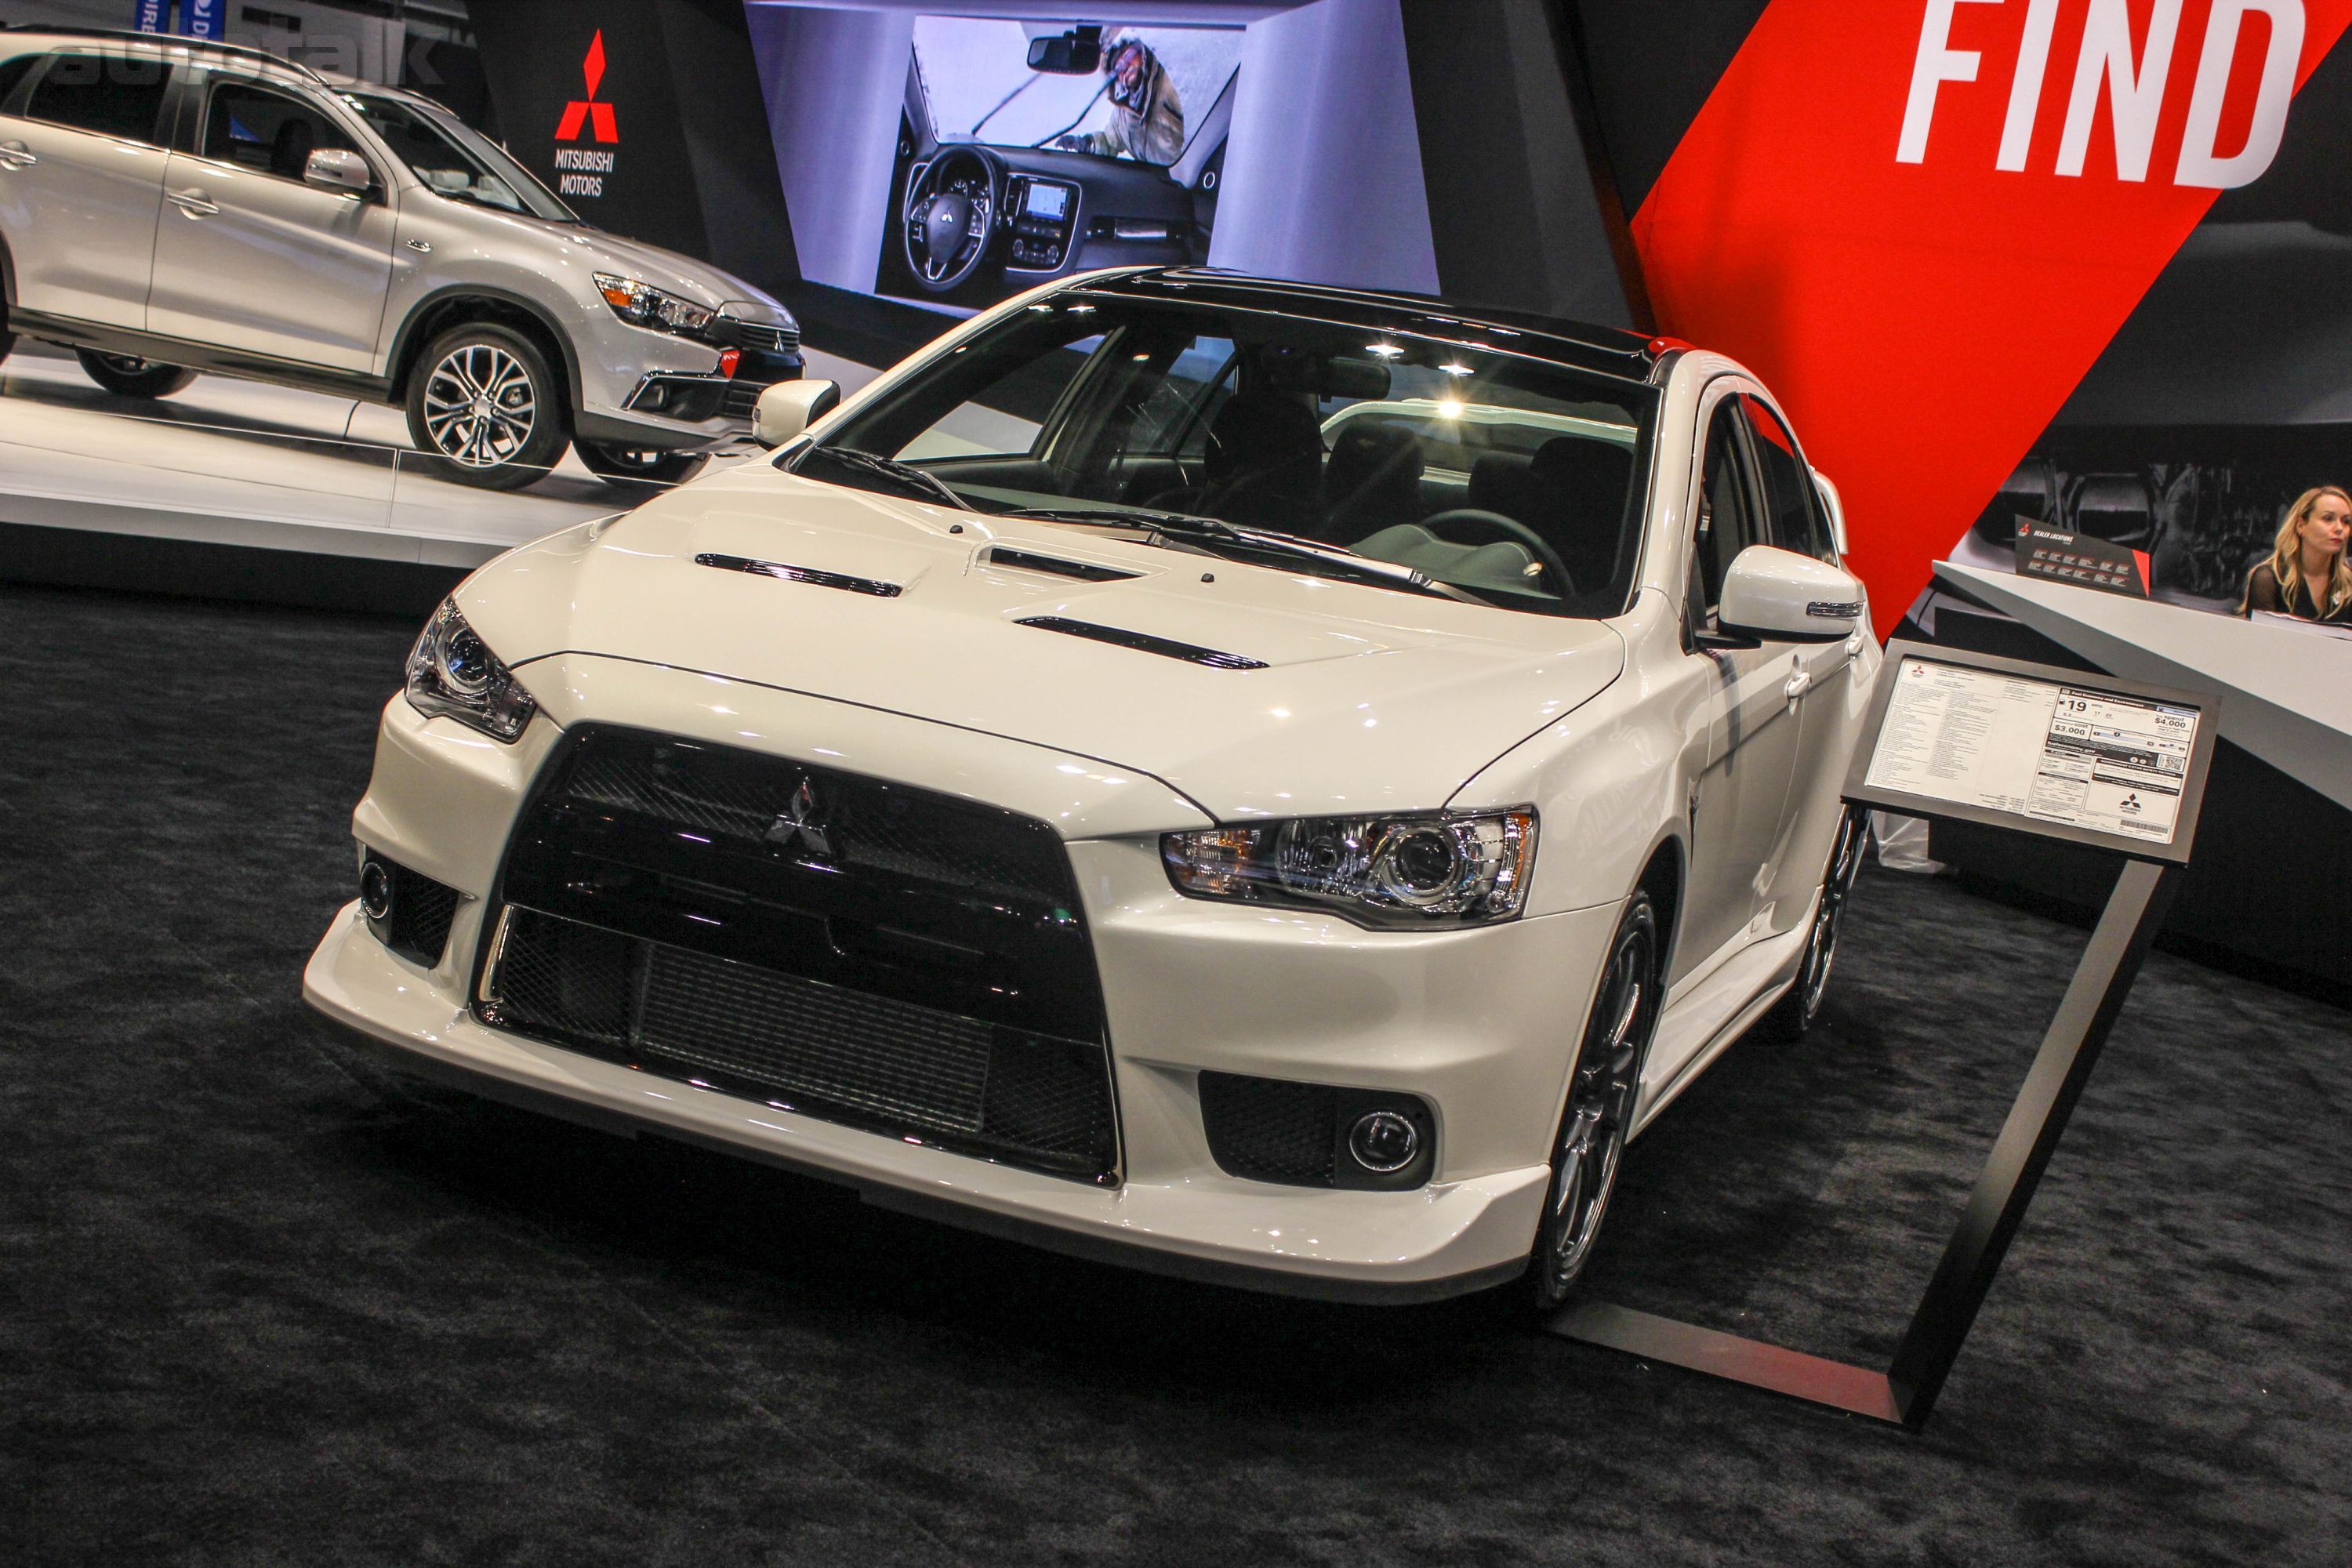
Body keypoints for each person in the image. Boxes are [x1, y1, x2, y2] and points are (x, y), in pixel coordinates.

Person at [1054, 34, 1184, 165]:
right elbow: (1110, 143)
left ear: (1142, 51)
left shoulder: (1172, 84)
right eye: (1117, 67)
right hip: (1158, 178)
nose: (1124, 67)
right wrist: (1086, 144)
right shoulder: (1121, 117)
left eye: (1127, 55)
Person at [2241, 485, 2352, 622]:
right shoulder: (2269, 579)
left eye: (2346, 522)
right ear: (2301, 525)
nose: (2340, 528)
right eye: (2328, 518)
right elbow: (2259, 636)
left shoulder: (2349, 584)